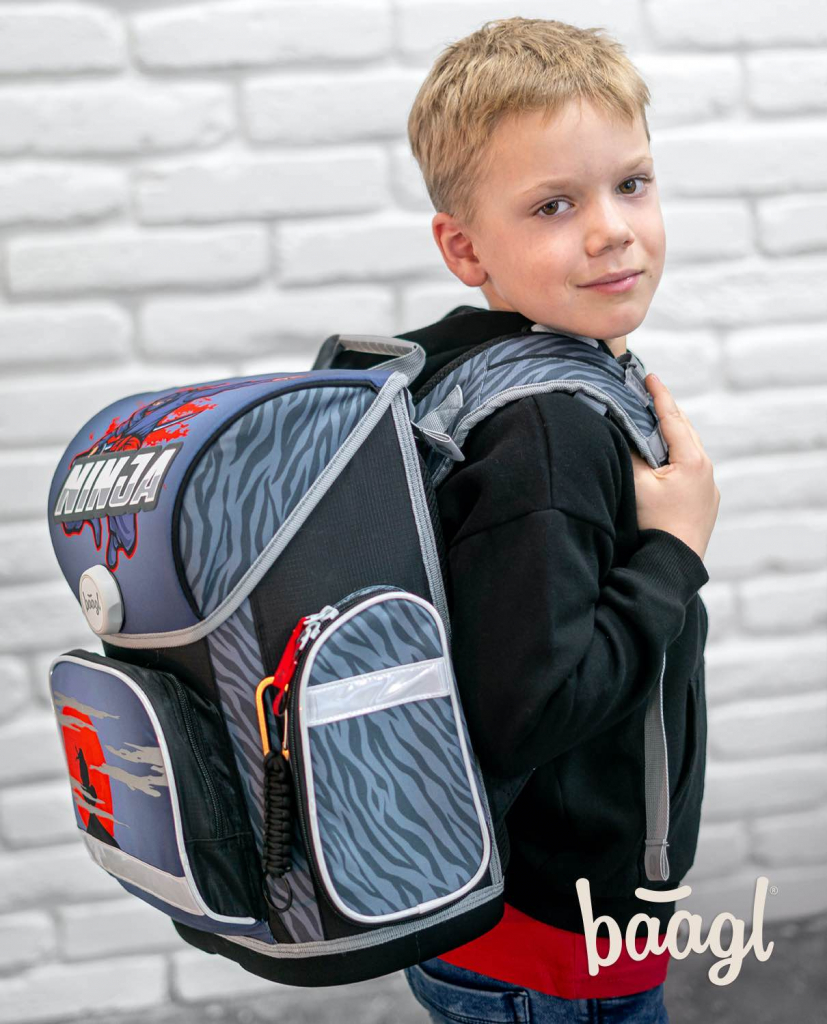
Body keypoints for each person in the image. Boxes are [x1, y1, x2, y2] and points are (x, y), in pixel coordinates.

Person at [335, 15, 720, 1024]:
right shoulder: (545, 427)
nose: (610, 229)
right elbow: (531, 710)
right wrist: (673, 550)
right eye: (553, 204)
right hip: (548, 951)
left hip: (498, 923)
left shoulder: (457, 367)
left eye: (630, 183)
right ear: (464, 247)